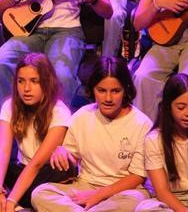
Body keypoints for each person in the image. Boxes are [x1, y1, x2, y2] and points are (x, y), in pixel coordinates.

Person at [31, 56, 152, 212]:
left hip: (122, 192)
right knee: (40, 193)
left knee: (136, 202)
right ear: (93, 89)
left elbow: (137, 177)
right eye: (101, 91)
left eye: (115, 91)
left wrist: (99, 194)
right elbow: (72, 157)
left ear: (126, 90)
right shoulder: (82, 116)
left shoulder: (142, 124)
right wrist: (62, 152)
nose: (108, 98)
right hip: (85, 185)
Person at [0, 53, 77, 212]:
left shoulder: (59, 111)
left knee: (64, 167)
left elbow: (37, 163)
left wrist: (10, 200)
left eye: (34, 81)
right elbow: (2, 152)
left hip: (42, 176)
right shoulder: (10, 106)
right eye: (21, 81)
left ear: (46, 82)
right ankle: (12, 207)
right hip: (20, 171)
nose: (26, 88)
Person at [136, 73, 188, 212]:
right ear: (168, 107)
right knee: (144, 209)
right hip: (169, 203)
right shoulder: (154, 139)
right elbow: (162, 192)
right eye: (181, 107)